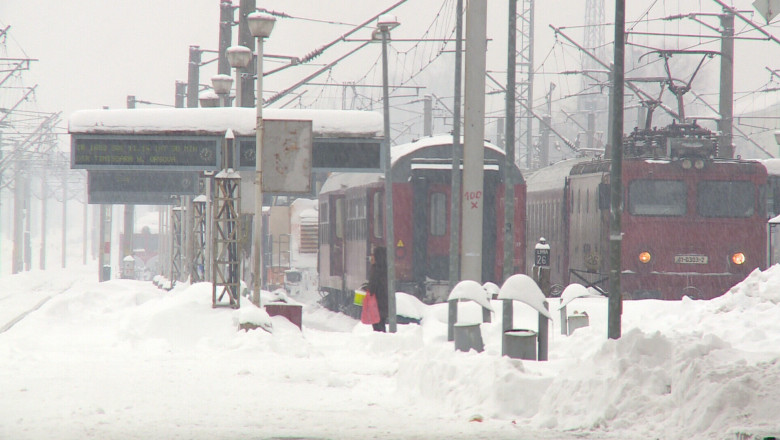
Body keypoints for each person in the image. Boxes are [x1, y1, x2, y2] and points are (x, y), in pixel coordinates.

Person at [367, 246, 388, 332]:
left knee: (377, 326)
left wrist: (367, 288)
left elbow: (373, 286)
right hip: (383, 303)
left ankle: (380, 342)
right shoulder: (386, 269)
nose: (371, 257)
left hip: (377, 303)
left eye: (373, 255)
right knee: (381, 323)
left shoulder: (376, 269)